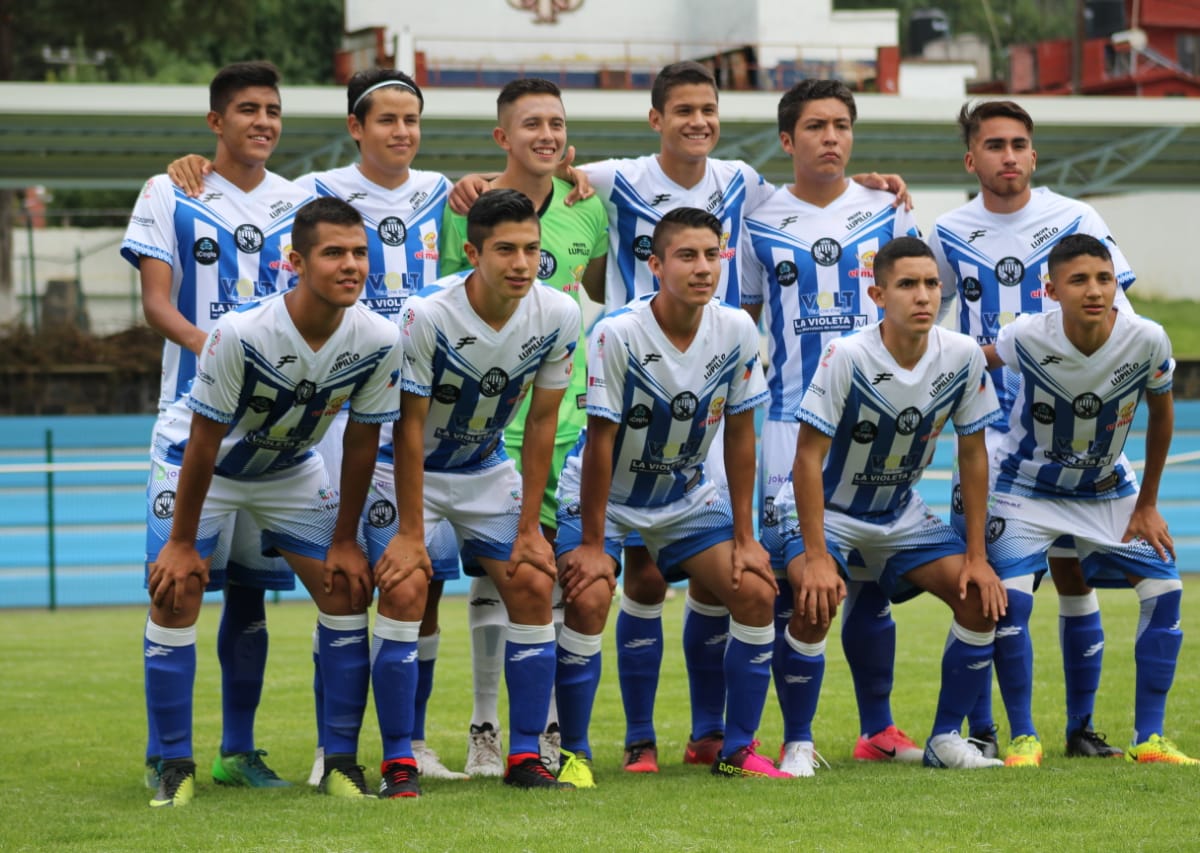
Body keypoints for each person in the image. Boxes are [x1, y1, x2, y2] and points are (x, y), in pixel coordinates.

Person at [450, 63, 908, 772]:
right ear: (656, 118)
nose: (697, 121)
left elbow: (811, 194)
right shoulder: (615, 182)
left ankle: (720, 739)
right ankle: (606, 742)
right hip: (624, 399)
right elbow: (541, 163)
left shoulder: (743, 186)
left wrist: (869, 182)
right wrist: (475, 183)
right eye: (683, 109)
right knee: (626, 582)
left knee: (744, 584)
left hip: (702, 422)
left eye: (708, 109)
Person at [167, 68, 468, 786]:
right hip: (324, 414)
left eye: (412, 119)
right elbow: (243, 188)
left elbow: (493, 226)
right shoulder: (307, 193)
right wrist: (198, 167)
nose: (401, 131)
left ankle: (409, 741)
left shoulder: (442, 191)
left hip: (409, 403)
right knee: (335, 575)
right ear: (355, 128)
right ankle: (324, 749)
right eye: (386, 118)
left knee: (415, 576)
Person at [140, 196, 403, 806]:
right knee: (176, 591)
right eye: (333, 253)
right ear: (296, 263)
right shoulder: (240, 333)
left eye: (359, 253)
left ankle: (340, 764)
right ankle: (173, 764)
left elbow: (362, 442)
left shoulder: (380, 337)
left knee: (347, 589)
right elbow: (204, 441)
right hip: (202, 465)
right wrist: (182, 543)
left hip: (288, 468)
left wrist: (346, 540)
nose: (351, 265)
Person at [122, 60, 312, 793]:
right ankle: (167, 757)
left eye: (272, 110)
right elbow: (157, 305)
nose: (262, 122)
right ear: (216, 121)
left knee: (251, 594)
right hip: (190, 420)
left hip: (274, 434)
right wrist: (218, 349)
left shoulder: (301, 200)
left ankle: (239, 751)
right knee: (176, 587)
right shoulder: (170, 191)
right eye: (247, 109)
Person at [928, 99, 1136, 764]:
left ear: (1034, 154)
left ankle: (1081, 727)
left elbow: (1120, 313)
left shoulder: (1077, 218)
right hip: (989, 432)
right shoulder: (947, 231)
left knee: (1074, 576)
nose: (1009, 156)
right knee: (988, 584)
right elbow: (932, 322)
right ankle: (986, 727)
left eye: (1019, 144)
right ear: (972, 159)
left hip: (1069, 430)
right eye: (994, 145)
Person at [554, 206, 785, 782]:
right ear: (655, 265)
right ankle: (576, 753)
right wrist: (592, 545)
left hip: (684, 494)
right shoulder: (617, 332)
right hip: (607, 496)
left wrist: (746, 537)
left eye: (712, 255)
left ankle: (736, 750)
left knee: (756, 590)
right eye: (686, 256)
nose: (703, 267)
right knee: (589, 598)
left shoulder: (736, 328)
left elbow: (741, 435)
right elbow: (600, 442)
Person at [366, 188, 581, 789]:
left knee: (533, 581)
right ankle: (400, 760)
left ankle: (523, 757)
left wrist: (528, 529)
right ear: (473, 253)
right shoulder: (427, 314)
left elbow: (540, 423)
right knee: (407, 587)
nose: (522, 263)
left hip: (485, 468)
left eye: (531, 249)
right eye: (506, 249)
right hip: (407, 469)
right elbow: (408, 425)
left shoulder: (560, 313)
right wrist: (411, 534)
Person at [739, 78, 923, 774]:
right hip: (789, 424)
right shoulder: (756, 219)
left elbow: (919, 309)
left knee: (871, 574)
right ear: (788, 140)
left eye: (842, 125)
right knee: (794, 581)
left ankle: (878, 728)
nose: (831, 138)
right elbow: (744, 322)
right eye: (816, 126)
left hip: (878, 428)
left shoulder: (889, 210)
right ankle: (795, 737)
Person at [770, 235, 1007, 772]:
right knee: (815, 599)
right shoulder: (847, 356)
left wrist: (976, 556)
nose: (923, 296)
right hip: (828, 512)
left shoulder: (963, 355)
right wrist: (815, 556)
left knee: (979, 599)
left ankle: (945, 739)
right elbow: (807, 458)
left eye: (931, 284)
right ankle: (798, 744)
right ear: (877, 295)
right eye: (907, 285)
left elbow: (973, 455)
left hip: (899, 513)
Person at [438, 77, 609, 777]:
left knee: (549, 575)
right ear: (501, 136)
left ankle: (547, 731)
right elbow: (452, 306)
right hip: (487, 427)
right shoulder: (467, 205)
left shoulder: (587, 204)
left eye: (556, 123)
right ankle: (485, 726)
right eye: (532, 123)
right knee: (494, 574)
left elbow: (597, 289)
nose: (547, 134)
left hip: (564, 419)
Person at [983, 233, 1199, 765]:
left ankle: (1149, 738)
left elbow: (1162, 413)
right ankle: (1024, 737)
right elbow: (972, 363)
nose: (1095, 290)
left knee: (1165, 589)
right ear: (1051, 289)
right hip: (1026, 486)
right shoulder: (1026, 336)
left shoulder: (1147, 340)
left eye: (1104, 279)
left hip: (1106, 486)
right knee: (1011, 601)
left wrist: (1147, 505)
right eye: (1078, 280)